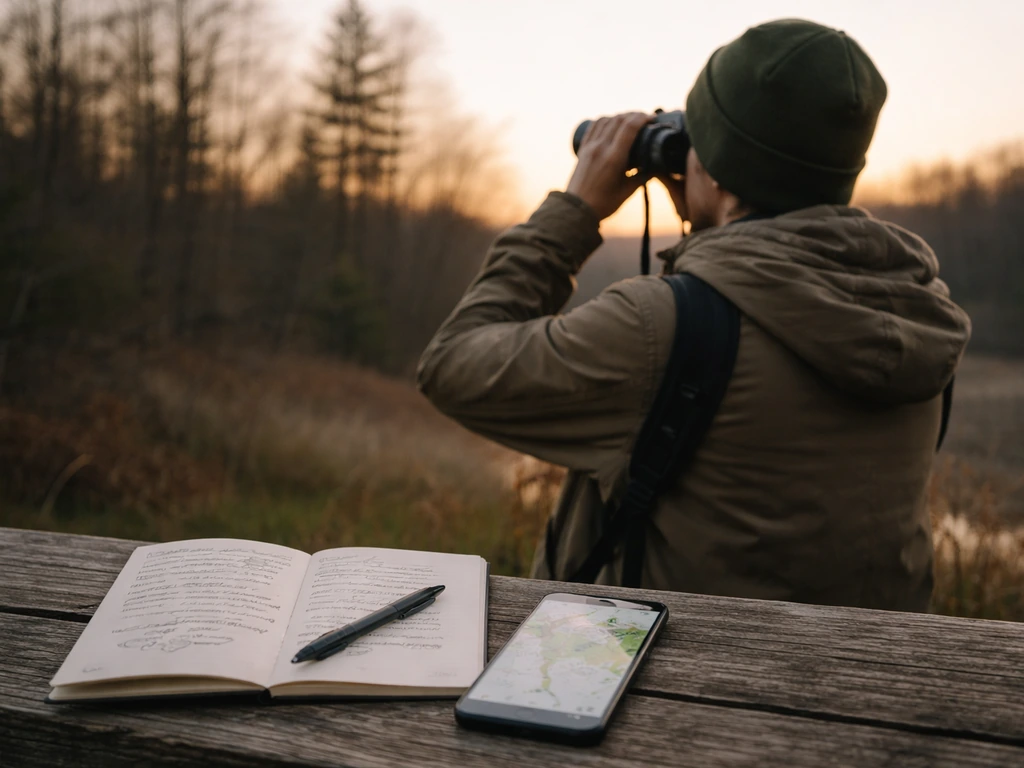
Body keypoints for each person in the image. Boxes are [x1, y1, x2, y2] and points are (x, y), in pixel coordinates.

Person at [416, 18, 971, 611]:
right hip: (868, 682)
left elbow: (453, 363)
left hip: (674, 690)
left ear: (716, 167)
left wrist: (573, 212)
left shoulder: (667, 325)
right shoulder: (915, 303)